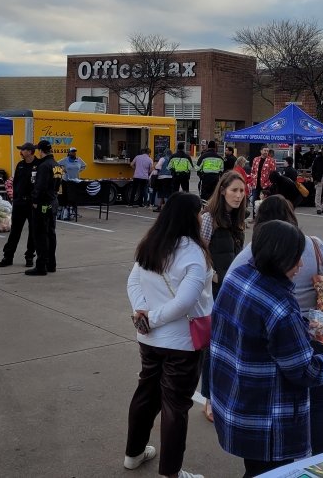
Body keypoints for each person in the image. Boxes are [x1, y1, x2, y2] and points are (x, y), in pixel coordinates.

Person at [210, 218, 323, 477]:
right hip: (268, 419)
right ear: (279, 257)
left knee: (256, 469)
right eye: (296, 258)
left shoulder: (238, 277)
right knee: (270, 471)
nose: (301, 265)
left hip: (237, 399)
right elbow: (305, 371)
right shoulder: (280, 307)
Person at [226, 195, 323, 454]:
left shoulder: (250, 255)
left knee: (280, 404)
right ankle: (319, 462)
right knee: (317, 402)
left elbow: (232, 287)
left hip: (272, 340)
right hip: (317, 333)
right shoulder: (315, 245)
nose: (298, 266)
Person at [124, 192, 212, 478]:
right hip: (182, 343)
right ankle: (171, 473)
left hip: (149, 338)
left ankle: (133, 454)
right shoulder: (194, 253)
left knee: (145, 395)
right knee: (176, 407)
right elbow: (185, 302)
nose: (201, 217)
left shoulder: (152, 242)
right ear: (191, 216)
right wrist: (153, 317)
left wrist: (143, 313)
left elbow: (133, 280)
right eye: (199, 212)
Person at [198, 171, 248, 423]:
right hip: (214, 292)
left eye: (242, 191)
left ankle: (225, 396)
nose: (239, 195)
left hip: (234, 291)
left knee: (230, 346)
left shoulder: (237, 219)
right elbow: (198, 251)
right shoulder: (208, 218)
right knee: (212, 348)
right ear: (222, 191)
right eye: (234, 190)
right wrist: (214, 275)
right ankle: (209, 398)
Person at [0, 143, 37, 268]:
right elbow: (15, 184)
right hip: (19, 203)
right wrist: (15, 199)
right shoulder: (20, 165)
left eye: (23, 150)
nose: (21, 152)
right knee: (15, 231)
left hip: (33, 204)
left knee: (33, 232)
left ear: (30, 152)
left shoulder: (39, 165)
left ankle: (30, 256)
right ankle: (8, 256)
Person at [26, 140, 58, 276]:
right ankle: (51, 263)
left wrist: (35, 200)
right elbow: (57, 186)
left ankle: (41, 266)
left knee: (40, 234)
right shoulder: (56, 165)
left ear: (41, 151)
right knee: (51, 233)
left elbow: (40, 186)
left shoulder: (44, 165)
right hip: (53, 202)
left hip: (43, 204)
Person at [60, 147, 86, 221]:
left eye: (74, 151)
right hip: (66, 180)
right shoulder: (65, 160)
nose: (73, 153)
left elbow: (84, 166)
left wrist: (79, 171)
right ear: (69, 152)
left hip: (75, 180)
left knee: (74, 197)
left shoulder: (79, 160)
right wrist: (62, 169)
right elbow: (57, 164)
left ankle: (73, 211)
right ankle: (66, 212)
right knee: (66, 196)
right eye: (72, 151)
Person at [248, 147, 275, 216]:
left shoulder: (271, 160)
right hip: (256, 184)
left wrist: (269, 183)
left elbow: (273, 173)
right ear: (261, 151)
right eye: (265, 150)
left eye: (267, 151)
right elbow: (252, 171)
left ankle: (265, 217)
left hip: (266, 185)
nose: (266, 152)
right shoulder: (256, 159)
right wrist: (252, 180)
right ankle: (255, 217)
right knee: (255, 201)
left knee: (265, 202)